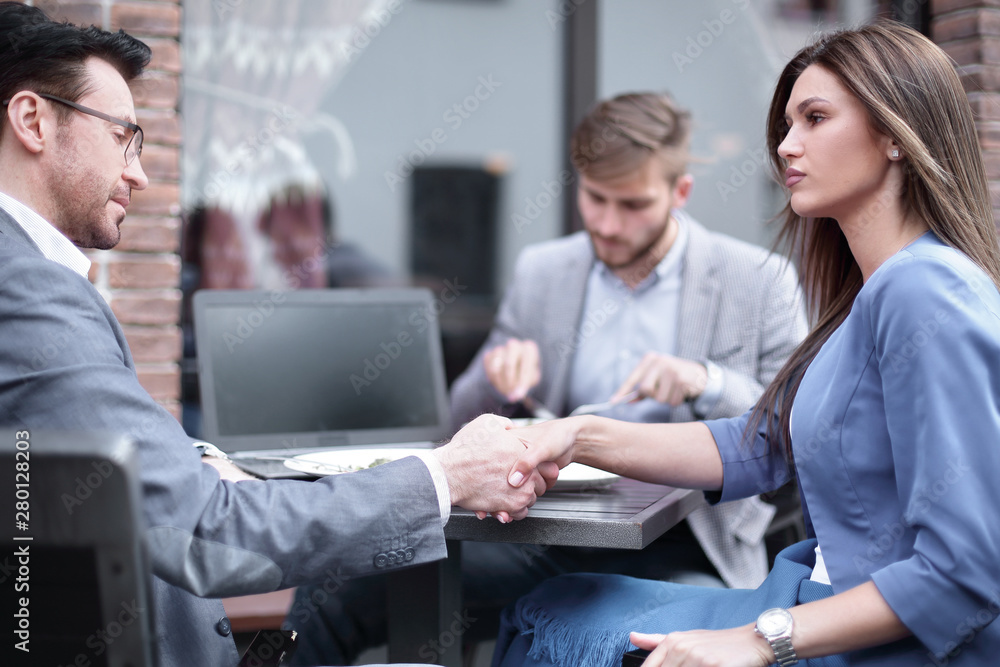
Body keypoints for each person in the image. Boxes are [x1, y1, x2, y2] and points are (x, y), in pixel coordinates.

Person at [0, 5, 551, 667]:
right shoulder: (27, 291)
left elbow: (95, 463)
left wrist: (198, 458)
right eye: (123, 135)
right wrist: (448, 474)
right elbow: (208, 535)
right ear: (33, 120)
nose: (139, 173)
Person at [492, 20, 1000, 667]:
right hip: (809, 596)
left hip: (873, 639)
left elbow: (965, 572)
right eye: (788, 124)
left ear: (896, 135)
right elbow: (755, 444)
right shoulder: (868, 297)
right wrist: (577, 433)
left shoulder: (927, 292)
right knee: (555, 604)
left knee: (548, 622)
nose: (787, 146)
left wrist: (761, 639)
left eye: (815, 118)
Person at [287, 92, 808, 665]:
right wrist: (494, 377)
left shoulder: (760, 281)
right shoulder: (545, 271)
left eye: (632, 204)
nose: (607, 225)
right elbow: (461, 422)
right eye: (595, 199)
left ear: (680, 193)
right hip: (543, 529)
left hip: (687, 539)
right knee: (337, 586)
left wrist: (705, 381)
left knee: (590, 631)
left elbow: (790, 434)